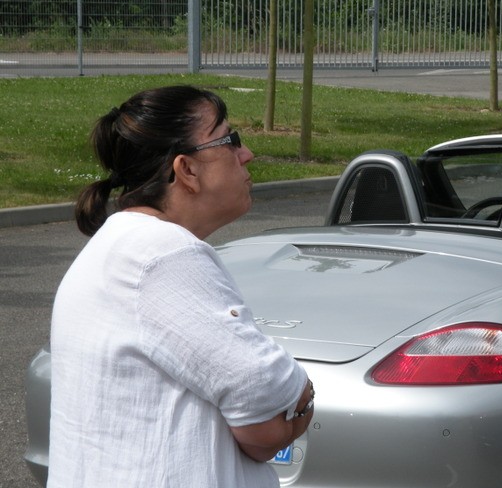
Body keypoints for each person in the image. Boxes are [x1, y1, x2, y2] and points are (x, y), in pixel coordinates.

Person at [48, 85, 315, 487]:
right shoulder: (162, 256)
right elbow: (265, 424)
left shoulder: (125, 247)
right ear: (186, 170)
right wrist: (304, 394)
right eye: (231, 140)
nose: (247, 155)